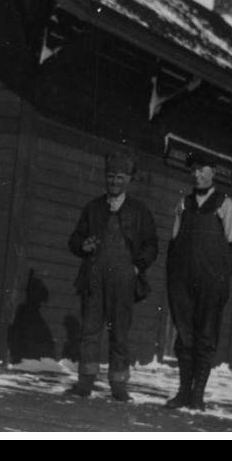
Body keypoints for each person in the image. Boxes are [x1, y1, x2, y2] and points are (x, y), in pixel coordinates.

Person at [67, 149, 158, 401]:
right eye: (110, 177)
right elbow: (75, 238)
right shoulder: (93, 208)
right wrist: (82, 245)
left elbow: (152, 245)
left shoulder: (139, 211)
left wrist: (137, 267)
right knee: (90, 329)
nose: (114, 182)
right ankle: (85, 382)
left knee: (120, 331)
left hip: (123, 279)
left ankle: (118, 384)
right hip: (94, 277)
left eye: (119, 177)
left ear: (128, 179)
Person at [165, 156, 232, 410]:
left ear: (213, 172)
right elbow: (173, 244)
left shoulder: (224, 204)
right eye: (194, 170)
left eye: (203, 169)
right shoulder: (184, 204)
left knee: (205, 336)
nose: (198, 174)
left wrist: (219, 280)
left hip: (211, 284)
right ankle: (183, 392)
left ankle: (198, 395)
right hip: (183, 282)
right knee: (184, 337)